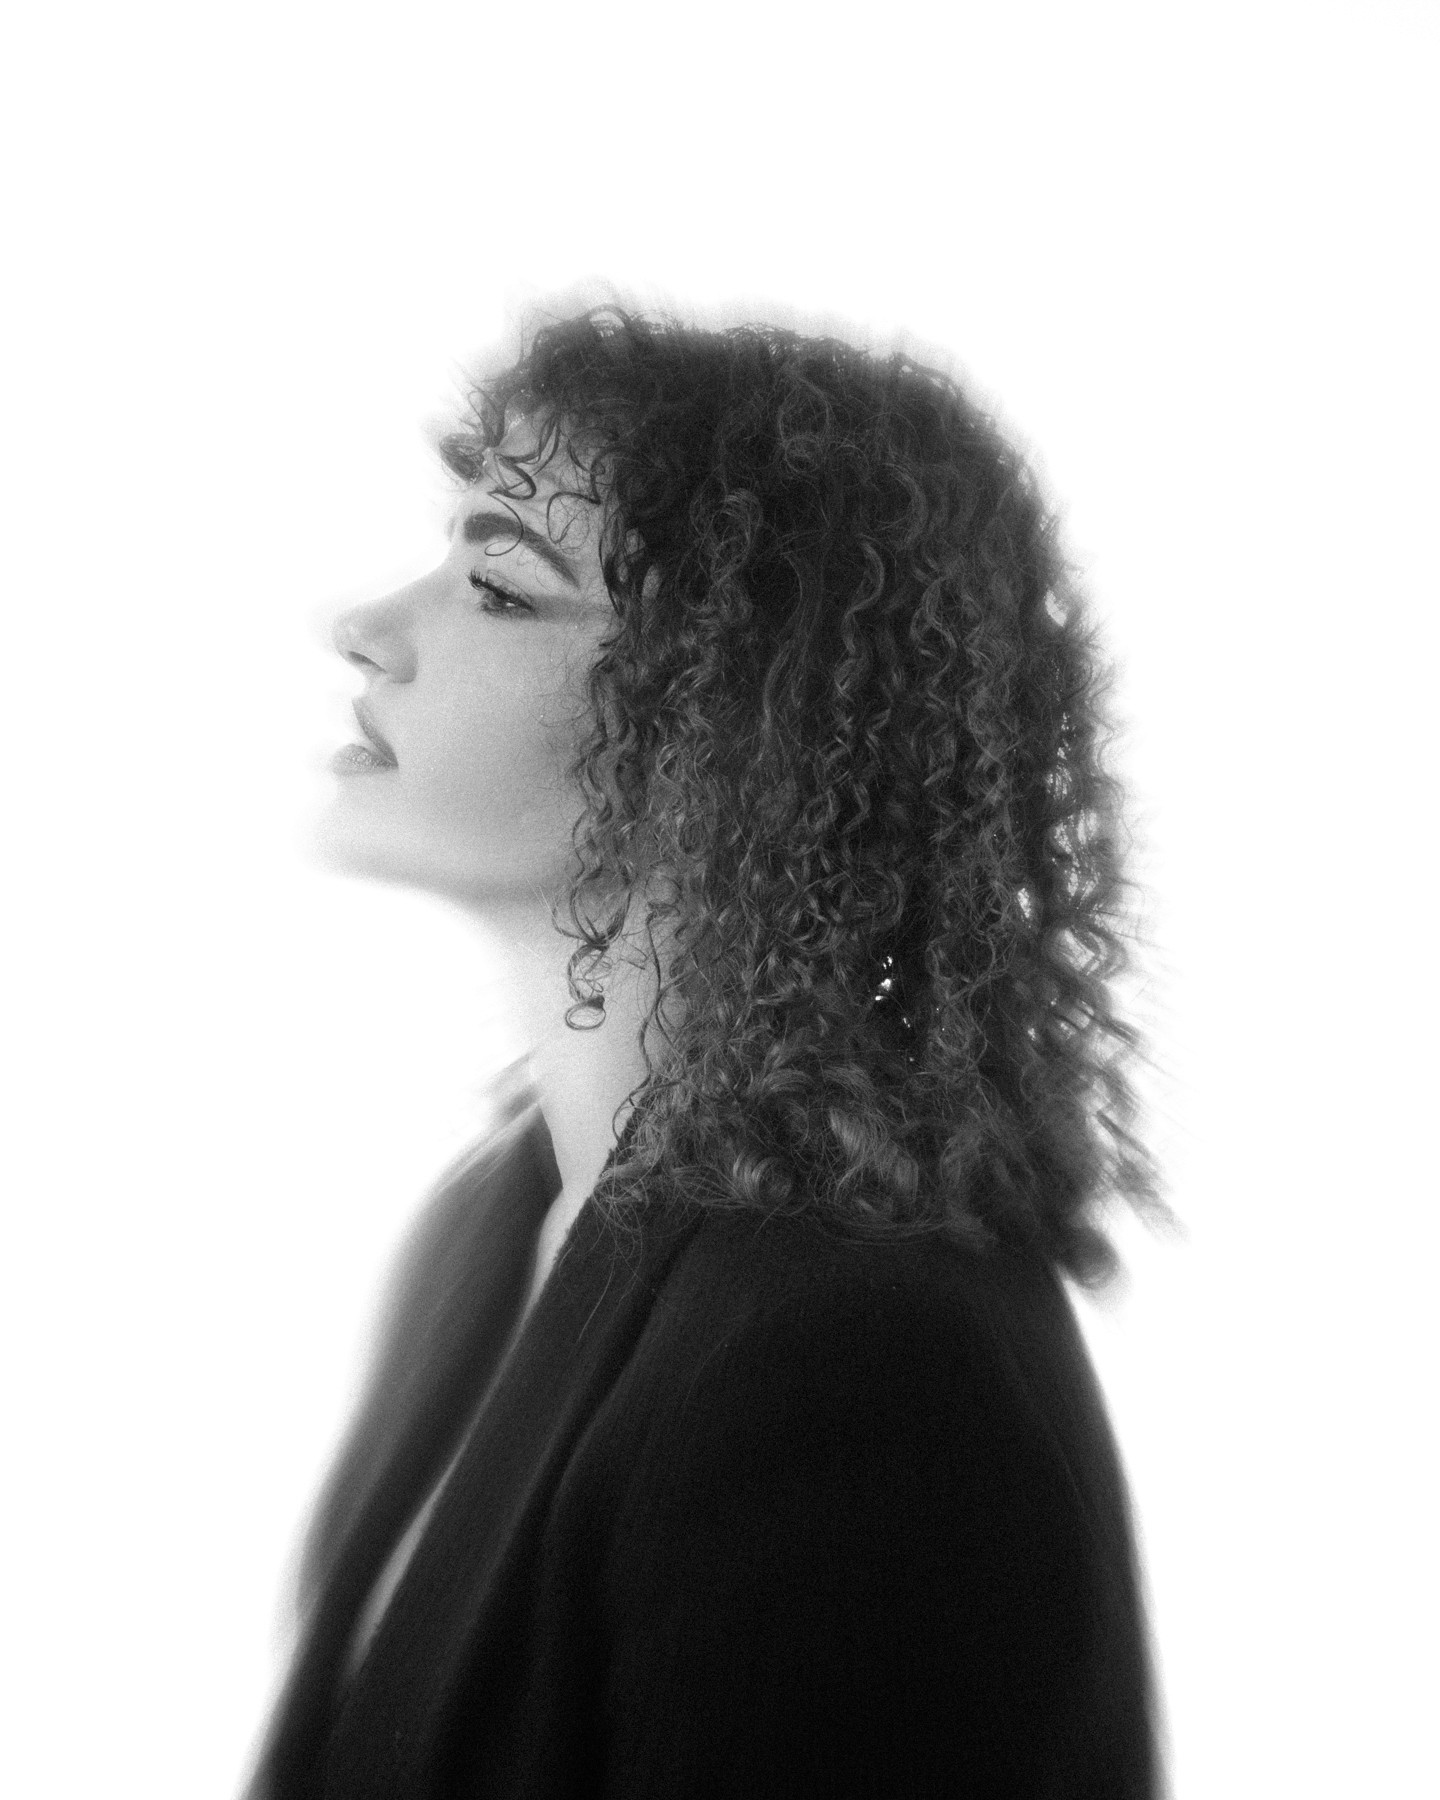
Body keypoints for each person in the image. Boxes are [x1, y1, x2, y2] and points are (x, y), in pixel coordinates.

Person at [245, 303, 1175, 1798]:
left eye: (499, 585)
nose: (366, 627)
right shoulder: (489, 1224)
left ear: (726, 733)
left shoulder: (864, 1362)